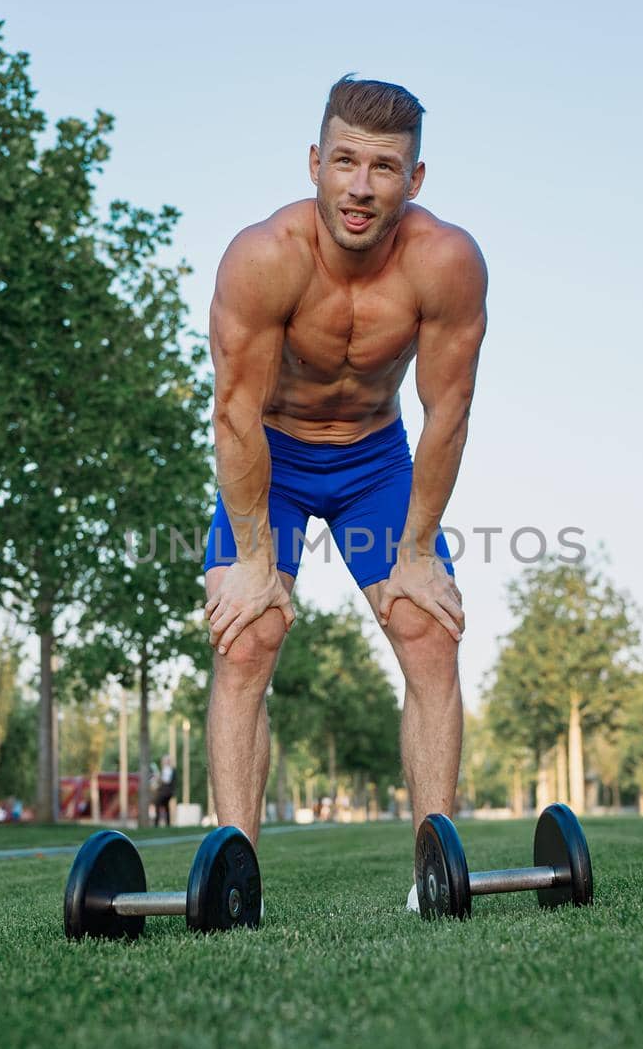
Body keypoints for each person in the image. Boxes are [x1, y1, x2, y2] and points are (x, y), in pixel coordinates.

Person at [204, 74, 488, 911]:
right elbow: (233, 417)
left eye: (385, 168)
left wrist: (413, 554)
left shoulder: (445, 262)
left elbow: (448, 416)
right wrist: (254, 559)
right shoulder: (263, 258)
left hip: (374, 461)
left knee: (427, 629)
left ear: (416, 178)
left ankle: (432, 873)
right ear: (314, 163)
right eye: (345, 162)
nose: (361, 187)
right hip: (273, 459)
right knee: (246, 637)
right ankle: (234, 877)